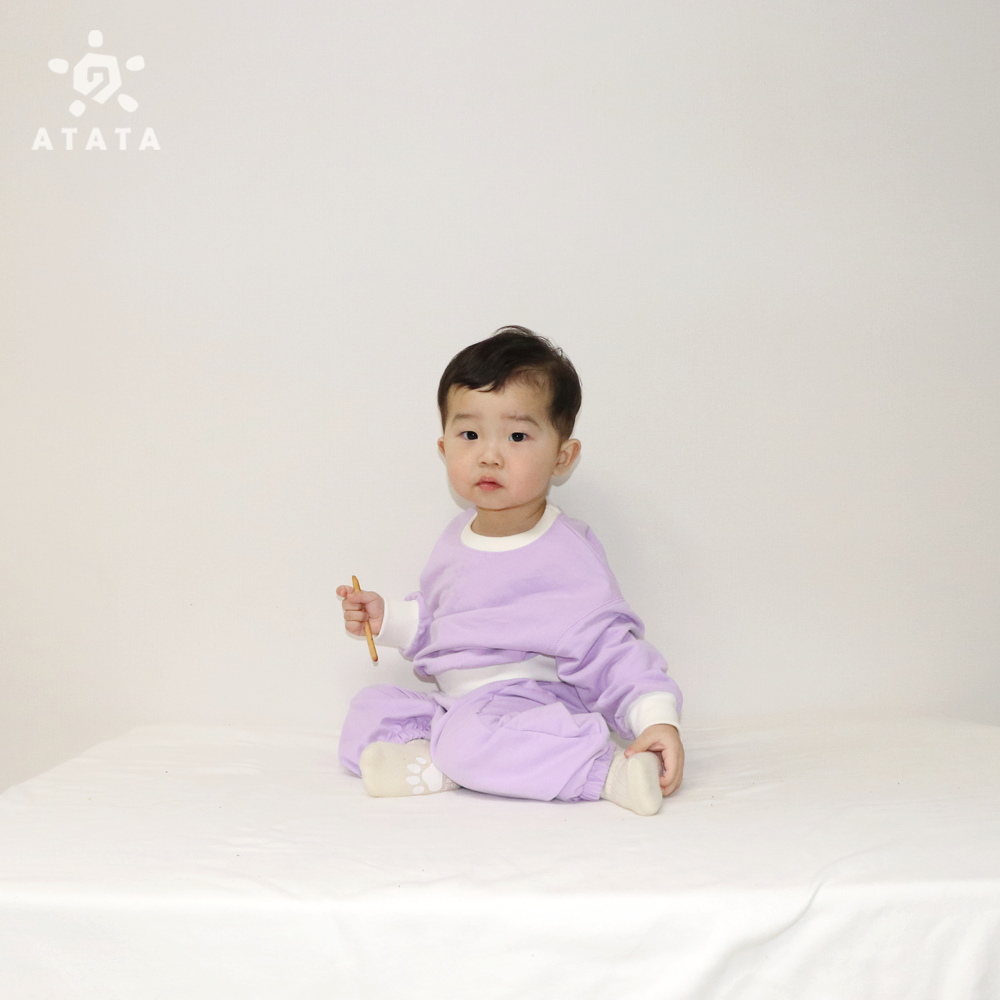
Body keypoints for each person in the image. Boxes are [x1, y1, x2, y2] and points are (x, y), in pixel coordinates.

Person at [336, 326, 684, 816]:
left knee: (471, 737)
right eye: (469, 435)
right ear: (444, 449)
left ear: (562, 456)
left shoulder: (565, 553)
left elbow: (610, 646)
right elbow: (446, 620)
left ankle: (604, 772)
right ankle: (444, 761)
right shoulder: (456, 537)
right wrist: (386, 618)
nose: (489, 454)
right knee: (370, 712)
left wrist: (655, 717)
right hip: (460, 704)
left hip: (528, 702)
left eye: (517, 436)